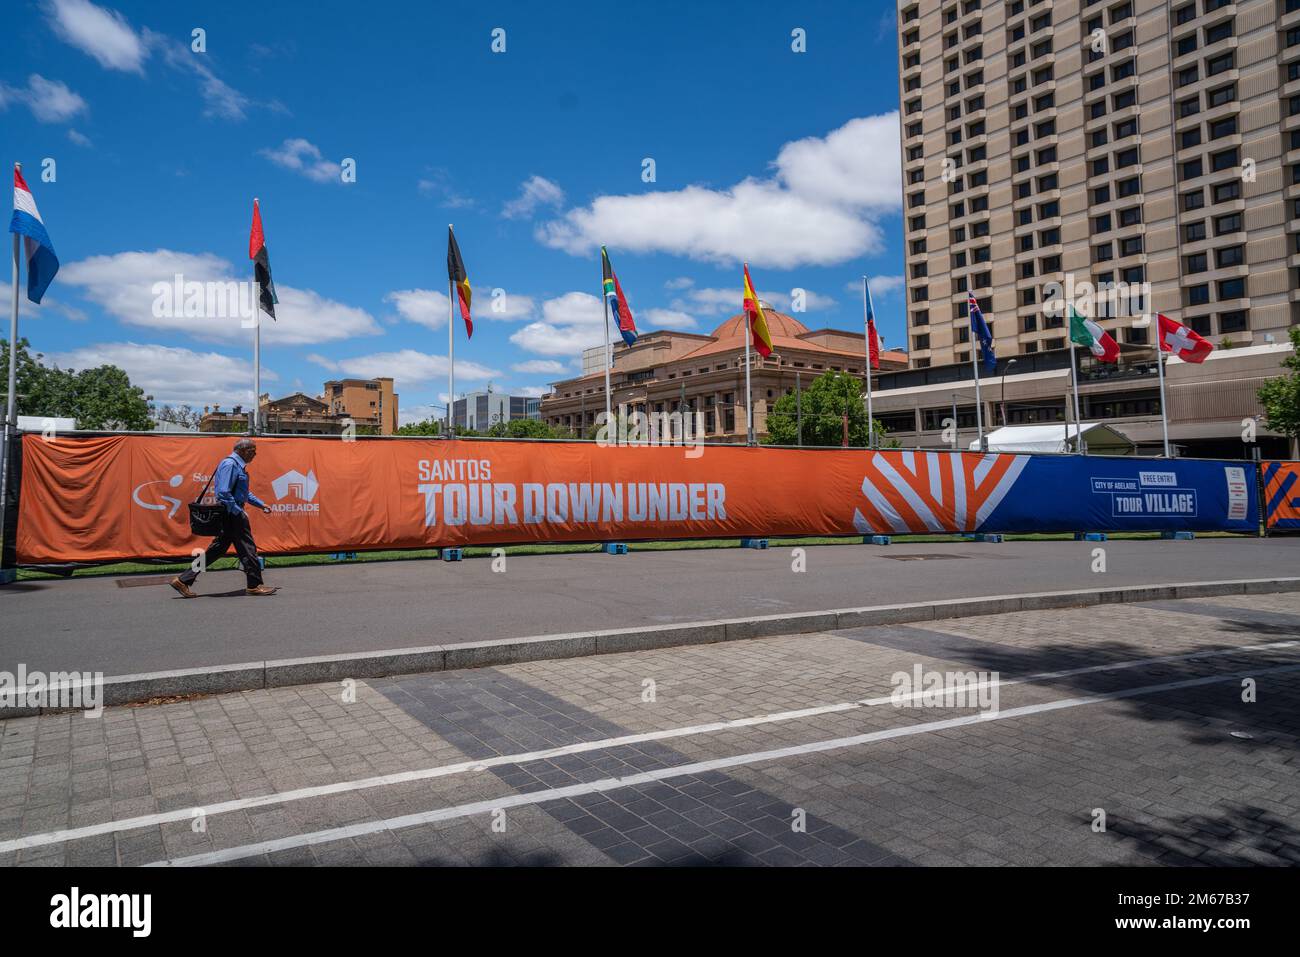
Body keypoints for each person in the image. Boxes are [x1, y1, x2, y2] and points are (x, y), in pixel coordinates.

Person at [170, 438, 279, 597]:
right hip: (231, 514)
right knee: (248, 548)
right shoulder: (230, 464)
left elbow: (243, 493)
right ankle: (254, 585)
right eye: (252, 450)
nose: (255, 454)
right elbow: (223, 492)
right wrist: (237, 511)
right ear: (241, 450)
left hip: (231, 514)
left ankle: (183, 579)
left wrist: (261, 504)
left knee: (215, 551)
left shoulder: (238, 466)